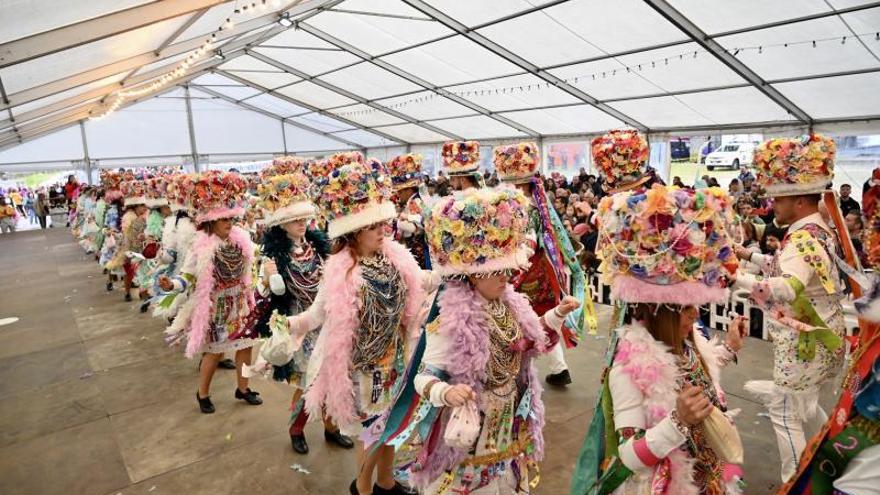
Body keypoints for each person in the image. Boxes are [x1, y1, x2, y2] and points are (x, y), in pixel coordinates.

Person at [390, 188, 580, 493]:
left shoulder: (511, 304)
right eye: (496, 272)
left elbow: (529, 340)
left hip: (510, 417)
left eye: (507, 269)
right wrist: (446, 392)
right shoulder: (450, 322)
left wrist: (557, 314)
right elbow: (422, 378)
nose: (506, 277)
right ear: (472, 275)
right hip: (470, 429)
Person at [571, 183, 745, 494]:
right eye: (685, 309)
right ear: (660, 312)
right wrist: (678, 422)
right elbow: (628, 454)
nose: (695, 316)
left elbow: (699, 373)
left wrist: (729, 348)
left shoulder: (689, 344)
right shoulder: (628, 369)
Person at [285, 154, 432, 495]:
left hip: (396, 358)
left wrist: (451, 274)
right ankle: (362, 488)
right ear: (352, 234)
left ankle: (387, 481)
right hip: (363, 368)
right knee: (372, 430)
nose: (384, 229)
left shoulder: (394, 257)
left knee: (393, 424)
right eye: (373, 225)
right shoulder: (340, 271)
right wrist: (287, 325)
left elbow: (419, 282)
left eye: (383, 222)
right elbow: (316, 314)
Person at [734, 135, 846, 482]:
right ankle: (832, 461)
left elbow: (786, 286)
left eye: (777, 198)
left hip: (805, 345)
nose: (772, 206)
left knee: (785, 413)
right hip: (825, 337)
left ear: (798, 199)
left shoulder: (800, 237)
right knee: (805, 406)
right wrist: (749, 256)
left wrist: (735, 278)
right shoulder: (819, 229)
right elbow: (793, 270)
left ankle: (796, 483)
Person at [253, 163, 354, 455]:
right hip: (301, 322)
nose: (301, 224)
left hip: (328, 318)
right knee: (309, 382)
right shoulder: (272, 255)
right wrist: (272, 279)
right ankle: (297, 428)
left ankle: (332, 427)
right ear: (281, 223)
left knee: (334, 375)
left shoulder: (319, 245)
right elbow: (266, 295)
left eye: (304, 218)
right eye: (294, 219)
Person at [160, 171, 262, 414]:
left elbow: (251, 268)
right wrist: (171, 286)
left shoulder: (240, 240)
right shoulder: (201, 246)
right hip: (216, 307)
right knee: (214, 353)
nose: (229, 223)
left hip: (241, 303)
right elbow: (187, 276)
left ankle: (243, 388)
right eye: (223, 219)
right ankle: (202, 393)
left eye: (231, 218)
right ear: (210, 221)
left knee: (245, 347)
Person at [495, 142, 588, 387]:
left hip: (523, 274)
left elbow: (528, 243)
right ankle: (558, 368)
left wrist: (505, 262)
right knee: (543, 317)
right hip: (540, 273)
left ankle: (519, 370)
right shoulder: (536, 206)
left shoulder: (523, 208)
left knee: (522, 319)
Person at [388, 154, 430, 269]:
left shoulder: (414, 202)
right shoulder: (416, 199)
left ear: (409, 190)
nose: (398, 195)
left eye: (400, 192)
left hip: (418, 248)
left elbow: (415, 228)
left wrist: (398, 222)